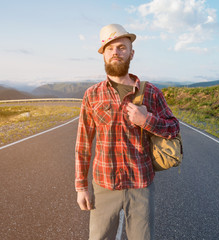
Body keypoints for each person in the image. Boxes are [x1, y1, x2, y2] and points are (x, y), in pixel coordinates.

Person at [75, 23, 180, 240]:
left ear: (132, 53)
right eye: (110, 48)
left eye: (122, 47)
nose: (116, 52)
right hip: (104, 185)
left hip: (141, 185)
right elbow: (83, 143)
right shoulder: (92, 95)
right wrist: (81, 187)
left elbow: (174, 128)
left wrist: (147, 120)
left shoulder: (150, 92)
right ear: (103, 54)